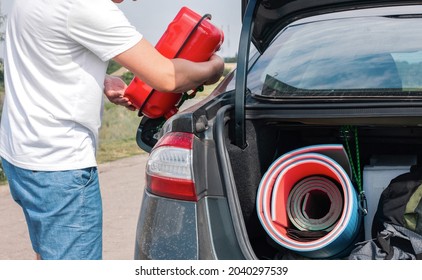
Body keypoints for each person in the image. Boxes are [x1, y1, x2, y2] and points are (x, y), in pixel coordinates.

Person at [0, 0, 224, 260]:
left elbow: (44, 53)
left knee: (48, 255)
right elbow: (167, 76)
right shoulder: (87, 6)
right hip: (60, 166)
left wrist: (99, 80)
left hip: (20, 156)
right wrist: (215, 67)